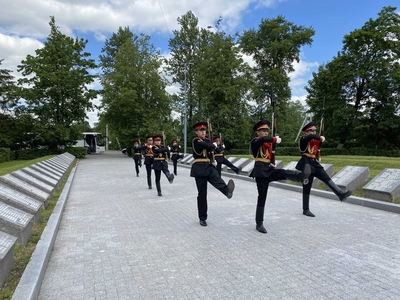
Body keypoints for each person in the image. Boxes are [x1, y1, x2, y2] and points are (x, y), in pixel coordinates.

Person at [250, 120, 311, 234]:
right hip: (260, 172)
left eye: (267, 130)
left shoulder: (268, 143)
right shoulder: (255, 141)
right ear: (257, 132)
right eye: (263, 130)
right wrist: (274, 139)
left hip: (269, 168)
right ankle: (259, 223)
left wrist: (274, 143)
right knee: (262, 197)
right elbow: (263, 140)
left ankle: (301, 176)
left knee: (283, 172)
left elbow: (269, 148)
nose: (265, 132)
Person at [296, 121, 352, 217]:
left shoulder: (315, 140)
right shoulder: (303, 139)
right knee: (307, 187)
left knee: (326, 178)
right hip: (306, 164)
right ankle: (305, 209)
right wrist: (319, 137)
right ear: (306, 132)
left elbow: (316, 149)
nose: (313, 133)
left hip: (315, 163)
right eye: (311, 131)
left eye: (314, 131)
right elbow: (310, 138)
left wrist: (319, 150)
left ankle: (340, 194)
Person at [190, 121, 235, 227]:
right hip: (199, 168)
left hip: (209, 166)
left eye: (204, 130)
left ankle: (227, 190)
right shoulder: (196, 141)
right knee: (202, 194)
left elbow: (216, 149)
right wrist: (213, 144)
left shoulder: (207, 141)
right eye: (200, 130)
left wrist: (221, 147)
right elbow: (206, 146)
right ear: (196, 132)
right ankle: (202, 217)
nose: (203, 132)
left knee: (217, 179)